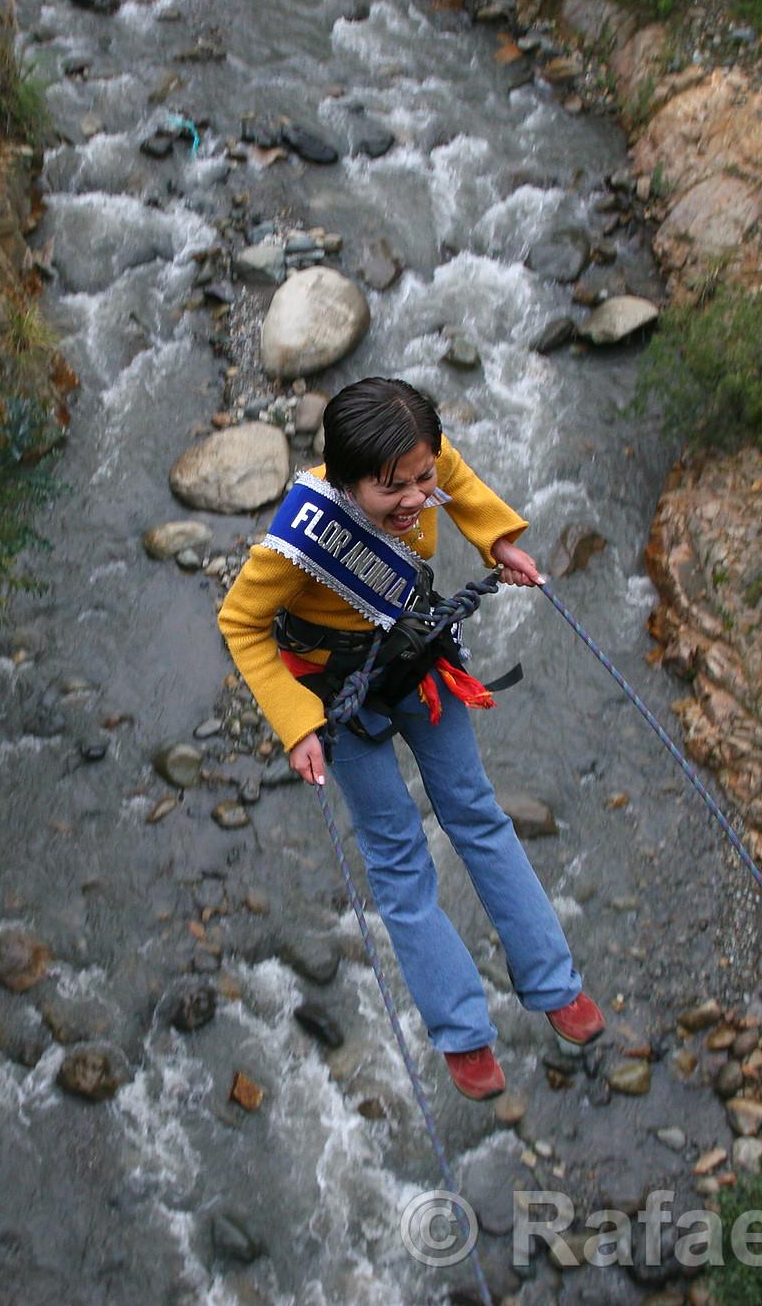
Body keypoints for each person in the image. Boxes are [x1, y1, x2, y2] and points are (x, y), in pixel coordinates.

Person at [216, 375, 603, 1101]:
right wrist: (296, 724)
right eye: (394, 488)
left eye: (421, 477)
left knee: (476, 815)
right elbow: (241, 623)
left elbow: (448, 471)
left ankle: (553, 982)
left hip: (418, 663)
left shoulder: (417, 467)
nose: (417, 497)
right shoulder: (296, 543)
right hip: (340, 702)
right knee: (396, 856)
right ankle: (462, 1030)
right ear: (346, 479)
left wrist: (499, 538)